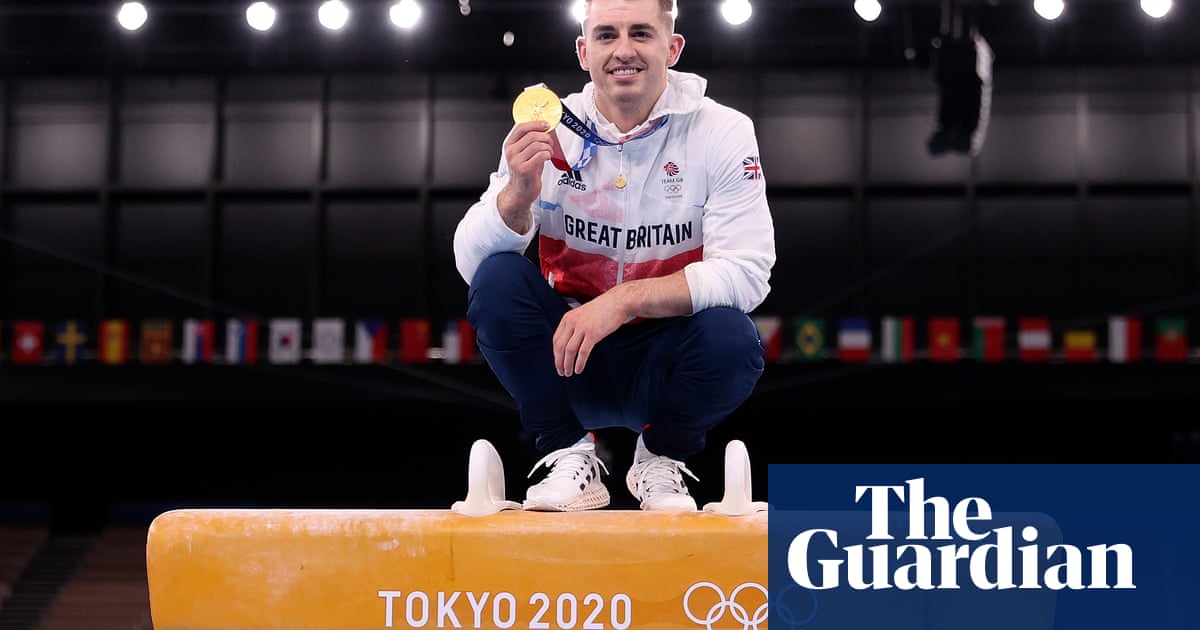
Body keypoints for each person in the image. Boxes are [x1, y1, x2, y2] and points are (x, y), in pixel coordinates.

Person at [452, 0, 774, 512]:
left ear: (673, 47)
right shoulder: (548, 128)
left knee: (734, 338)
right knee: (496, 280)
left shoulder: (724, 131)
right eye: (606, 35)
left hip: (664, 366)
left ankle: (662, 458)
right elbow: (470, 264)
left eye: (640, 34)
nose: (623, 50)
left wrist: (623, 300)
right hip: (567, 359)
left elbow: (749, 273)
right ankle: (566, 451)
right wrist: (517, 194)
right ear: (584, 52)